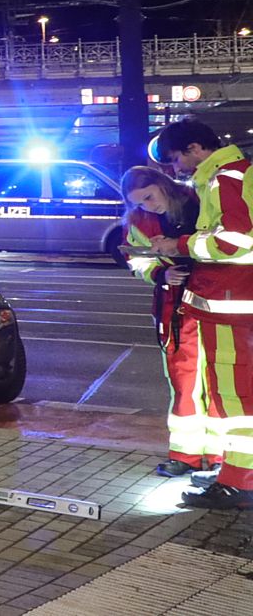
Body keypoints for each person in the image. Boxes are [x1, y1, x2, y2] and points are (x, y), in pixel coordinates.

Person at [139, 118, 253, 511]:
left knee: (236, 399)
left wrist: (181, 243)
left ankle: (241, 482)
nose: (176, 168)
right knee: (230, 395)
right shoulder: (234, 175)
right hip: (231, 304)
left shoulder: (226, 179)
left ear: (194, 149)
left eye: (175, 158)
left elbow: (235, 241)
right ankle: (232, 473)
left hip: (232, 306)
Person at [120, 165, 218, 478]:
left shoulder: (199, 200)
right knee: (183, 380)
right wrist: (161, 273)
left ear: (162, 184)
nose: (148, 206)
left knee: (219, 381)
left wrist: (179, 248)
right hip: (173, 305)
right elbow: (137, 260)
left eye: (149, 197)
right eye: (139, 203)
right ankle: (186, 456)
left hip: (213, 301)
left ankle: (221, 458)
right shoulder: (139, 221)